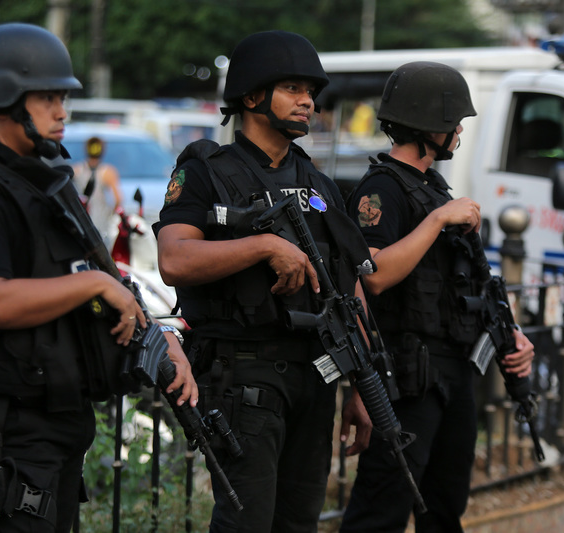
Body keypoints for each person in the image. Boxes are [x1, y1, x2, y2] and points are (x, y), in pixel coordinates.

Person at [0, 22, 196, 533]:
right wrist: (96, 287)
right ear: (3, 100)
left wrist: (157, 336)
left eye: (62, 96)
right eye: (46, 98)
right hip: (11, 427)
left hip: (61, 420)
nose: (62, 110)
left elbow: (100, 275)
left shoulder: (48, 187)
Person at [153, 30, 374, 533]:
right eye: (293, 88)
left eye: (310, 91)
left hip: (315, 377)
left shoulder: (318, 183)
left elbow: (348, 292)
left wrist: (363, 383)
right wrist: (264, 246)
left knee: (299, 525)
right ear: (252, 96)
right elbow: (175, 259)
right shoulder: (207, 171)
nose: (308, 101)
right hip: (245, 380)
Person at [341, 61, 536, 532]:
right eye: (455, 123)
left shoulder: (433, 188)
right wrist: (437, 221)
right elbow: (373, 276)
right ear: (431, 126)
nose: (461, 131)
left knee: (445, 506)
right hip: (408, 373)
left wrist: (511, 334)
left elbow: (461, 283)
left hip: (453, 368)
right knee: (382, 508)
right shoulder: (382, 189)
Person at [71, 136, 123, 247]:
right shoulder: (108, 171)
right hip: (101, 220)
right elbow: (118, 199)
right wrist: (111, 214)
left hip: (81, 218)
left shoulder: (76, 169)